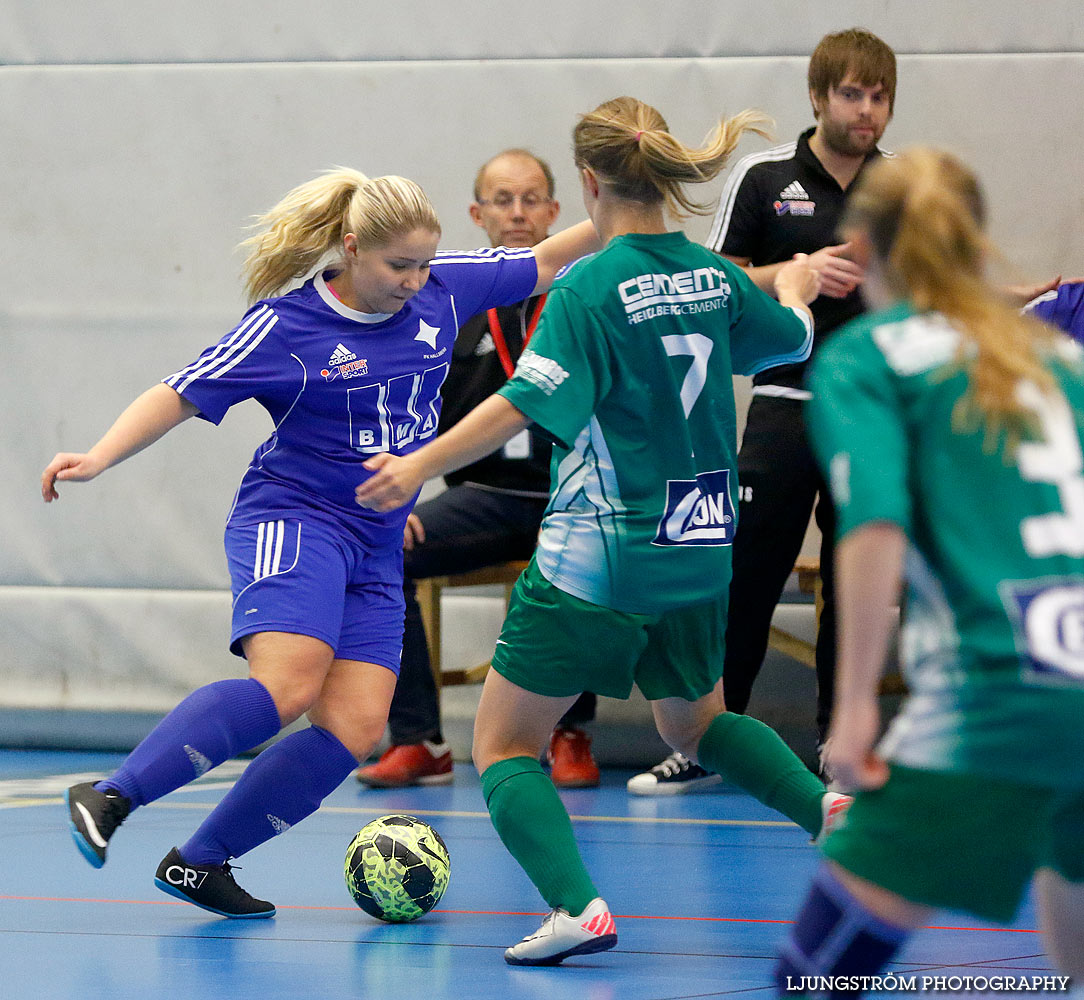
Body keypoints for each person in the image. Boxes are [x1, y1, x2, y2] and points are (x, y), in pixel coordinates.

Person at [357, 96, 848, 966]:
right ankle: (830, 813)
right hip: (702, 542)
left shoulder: (587, 287)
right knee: (697, 724)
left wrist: (418, 464)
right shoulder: (712, 274)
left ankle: (576, 907)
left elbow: (525, 399)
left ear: (586, 182)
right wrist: (802, 288)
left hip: (602, 554)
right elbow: (783, 343)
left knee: (504, 746)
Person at [41, 168, 600, 919]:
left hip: (375, 539)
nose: (414, 280)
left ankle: (201, 862)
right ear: (350, 248)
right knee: (289, 686)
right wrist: (100, 455)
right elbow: (179, 391)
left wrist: (630, 208)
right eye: (397, 265)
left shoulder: (441, 290)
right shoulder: (287, 326)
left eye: (424, 264)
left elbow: (543, 261)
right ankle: (111, 795)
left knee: (356, 726)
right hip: (293, 519)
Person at [776, 148, 1084, 991]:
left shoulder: (870, 359)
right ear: (975, 240)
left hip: (1002, 689)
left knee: (813, 975)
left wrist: (852, 712)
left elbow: (872, 526)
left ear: (861, 251)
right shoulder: (1052, 355)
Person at [630, 27, 897, 795]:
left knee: (857, 580)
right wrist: (801, 271)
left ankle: (838, 747)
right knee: (745, 570)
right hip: (783, 401)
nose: (867, 109)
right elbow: (719, 281)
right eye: (852, 93)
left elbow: (933, 289)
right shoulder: (765, 175)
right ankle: (710, 738)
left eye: (879, 95)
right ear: (818, 96)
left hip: (872, 412)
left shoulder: (901, 184)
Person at [356, 148, 600, 791]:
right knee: (383, 554)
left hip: (575, 497)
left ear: (554, 210)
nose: (517, 213)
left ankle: (569, 734)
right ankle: (418, 740)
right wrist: (399, 493)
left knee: (587, 562)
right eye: (502, 200)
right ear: (477, 213)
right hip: (484, 496)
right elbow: (403, 409)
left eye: (530, 200)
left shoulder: (590, 293)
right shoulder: (443, 302)